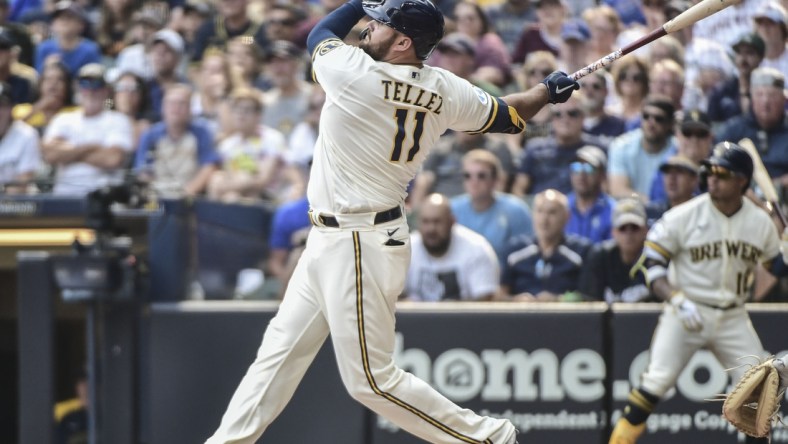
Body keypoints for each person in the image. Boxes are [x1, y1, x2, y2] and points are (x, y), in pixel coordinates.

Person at [205, 0, 580, 441]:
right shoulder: (444, 87)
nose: (368, 26)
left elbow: (318, 33)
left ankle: (488, 438)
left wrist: (356, 2)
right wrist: (546, 92)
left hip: (360, 240)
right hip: (337, 237)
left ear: (403, 42)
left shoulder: (352, 73)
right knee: (278, 353)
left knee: (371, 379)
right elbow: (507, 116)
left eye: (381, 23)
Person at [608, 142, 787, 444]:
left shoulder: (760, 224)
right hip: (686, 310)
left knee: (758, 391)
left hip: (733, 315)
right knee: (655, 382)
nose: (712, 177)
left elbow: (777, 268)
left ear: (741, 180)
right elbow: (651, 265)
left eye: (721, 172)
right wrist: (675, 298)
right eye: (709, 170)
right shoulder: (684, 215)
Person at [42, 64, 134, 196]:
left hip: (102, 198)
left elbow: (112, 159)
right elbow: (50, 155)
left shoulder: (118, 120)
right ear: (77, 88)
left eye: (96, 85)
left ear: (106, 90)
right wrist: (93, 147)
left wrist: (68, 152)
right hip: (64, 197)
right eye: (84, 84)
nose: (90, 91)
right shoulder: (63, 118)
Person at [404, 193, 500, 301]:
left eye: (437, 221)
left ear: (452, 222)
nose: (431, 229)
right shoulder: (405, 250)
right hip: (414, 318)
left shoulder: (477, 248)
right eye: (425, 222)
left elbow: (484, 304)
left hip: (464, 318)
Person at [501, 188, 591, 302]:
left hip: (565, 317)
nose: (544, 219)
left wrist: (558, 299)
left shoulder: (581, 252)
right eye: (539, 211)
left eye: (552, 212)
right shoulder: (514, 250)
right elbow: (499, 296)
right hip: (522, 316)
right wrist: (517, 300)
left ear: (567, 217)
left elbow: (591, 296)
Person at [134, 83, 220, 197]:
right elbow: (143, 171)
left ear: (190, 108)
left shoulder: (201, 133)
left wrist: (187, 193)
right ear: (163, 108)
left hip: (191, 197)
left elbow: (209, 166)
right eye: (171, 103)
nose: (176, 108)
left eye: (182, 103)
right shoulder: (150, 135)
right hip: (157, 196)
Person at [451, 149, 532, 266]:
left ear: (495, 180)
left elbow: (525, 254)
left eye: (481, 176)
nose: (474, 181)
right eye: (467, 175)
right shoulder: (451, 209)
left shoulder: (516, 210)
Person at [578, 197, 653, 303]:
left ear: (646, 230)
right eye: (622, 228)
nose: (629, 233)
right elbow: (589, 304)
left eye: (634, 227)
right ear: (614, 232)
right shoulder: (600, 257)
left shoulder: (654, 259)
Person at [607, 95, 676, 200]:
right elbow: (618, 190)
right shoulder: (621, 146)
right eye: (646, 116)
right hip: (631, 207)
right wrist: (647, 201)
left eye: (659, 119)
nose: (651, 123)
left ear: (670, 124)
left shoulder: (677, 149)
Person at [565, 145, 616, 244]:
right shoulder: (562, 208)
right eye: (576, 167)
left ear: (602, 175)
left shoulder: (613, 211)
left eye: (589, 168)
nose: (581, 174)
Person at [0, 82, 41, 194]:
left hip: (21, 206)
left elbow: (22, 185)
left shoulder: (27, 135)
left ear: (12, 108)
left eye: (1, 106)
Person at [646, 155, 700, 225]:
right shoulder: (652, 212)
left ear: (694, 180)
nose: (672, 178)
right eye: (668, 172)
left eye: (679, 172)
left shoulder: (703, 213)